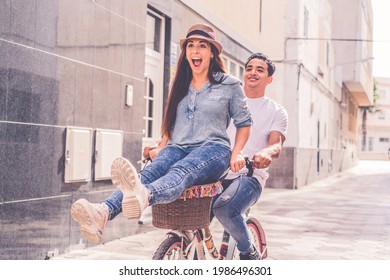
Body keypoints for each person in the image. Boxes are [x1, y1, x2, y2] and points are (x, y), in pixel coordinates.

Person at [70, 23, 252, 244]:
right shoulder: (180, 85)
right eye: (191, 46)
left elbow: (244, 123)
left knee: (180, 171)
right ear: (185, 53)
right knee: (147, 174)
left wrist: (237, 153)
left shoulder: (230, 84)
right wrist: (162, 145)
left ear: (212, 53)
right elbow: (172, 123)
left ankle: (145, 196)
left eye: (202, 46)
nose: (195, 51)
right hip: (178, 146)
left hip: (213, 149)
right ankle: (103, 213)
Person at [211, 52, 288, 260]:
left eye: (259, 70)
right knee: (192, 220)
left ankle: (249, 252)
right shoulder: (226, 101)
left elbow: (276, 144)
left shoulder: (276, 111)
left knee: (225, 209)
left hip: (250, 176)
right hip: (215, 171)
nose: (253, 72)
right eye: (249, 68)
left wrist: (265, 153)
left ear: (268, 79)